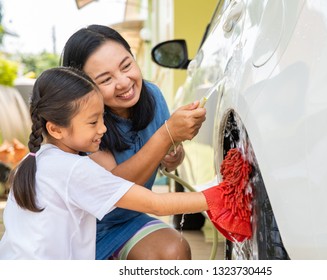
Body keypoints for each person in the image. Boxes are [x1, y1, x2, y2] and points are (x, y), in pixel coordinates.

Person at [0, 67, 212, 260]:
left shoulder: (33, 161)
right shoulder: (74, 169)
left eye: (103, 118)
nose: (103, 128)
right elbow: (156, 204)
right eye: (93, 122)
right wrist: (222, 196)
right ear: (55, 129)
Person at [61, 25, 206, 260]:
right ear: (83, 86)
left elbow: (166, 161)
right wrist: (166, 134)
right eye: (106, 79)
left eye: (126, 65)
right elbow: (113, 190)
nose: (123, 82)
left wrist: (172, 155)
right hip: (82, 230)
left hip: (128, 219)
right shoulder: (82, 123)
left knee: (172, 251)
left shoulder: (153, 96)